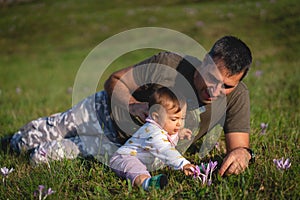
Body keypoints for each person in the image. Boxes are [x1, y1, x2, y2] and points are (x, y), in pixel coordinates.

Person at [6, 35, 253, 176]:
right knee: (21, 143)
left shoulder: (237, 96)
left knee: (41, 157)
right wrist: (133, 105)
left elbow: (239, 147)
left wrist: (242, 154)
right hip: (100, 112)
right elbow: (114, 80)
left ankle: (68, 146)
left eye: (226, 86)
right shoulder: (168, 63)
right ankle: (20, 137)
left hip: (119, 147)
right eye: (211, 77)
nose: (215, 90)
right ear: (204, 61)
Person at [109, 87, 195, 191]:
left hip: (144, 161)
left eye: (182, 118)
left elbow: (167, 137)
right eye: (174, 119)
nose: (179, 123)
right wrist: (183, 163)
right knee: (136, 168)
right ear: (155, 117)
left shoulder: (164, 127)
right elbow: (165, 150)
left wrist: (179, 133)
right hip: (124, 158)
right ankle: (147, 183)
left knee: (143, 166)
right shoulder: (152, 132)